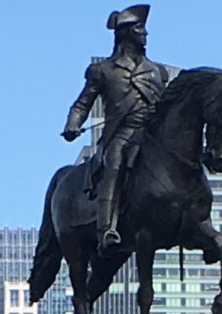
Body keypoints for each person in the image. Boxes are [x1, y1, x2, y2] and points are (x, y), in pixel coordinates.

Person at [62, 4, 169, 254]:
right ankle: (106, 229)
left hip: (150, 136)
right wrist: (73, 124)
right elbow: (81, 104)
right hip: (120, 134)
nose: (145, 34)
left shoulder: (157, 72)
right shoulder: (103, 71)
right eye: (140, 28)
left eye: (144, 28)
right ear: (126, 33)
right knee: (115, 165)